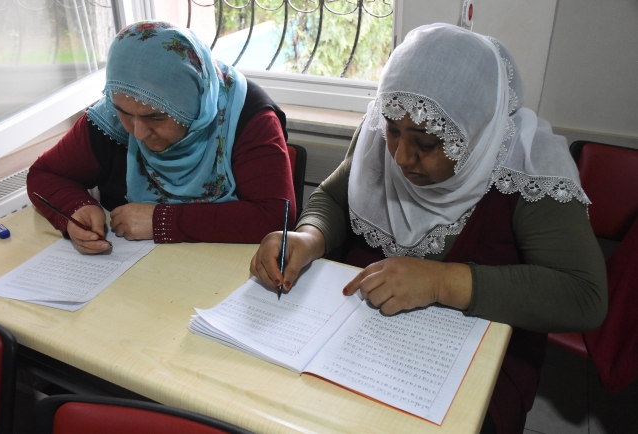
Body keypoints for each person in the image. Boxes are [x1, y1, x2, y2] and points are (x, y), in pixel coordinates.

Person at [250, 24, 607, 433]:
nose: (401, 157)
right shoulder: (383, 135)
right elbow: (333, 198)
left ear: (474, 133)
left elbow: (585, 296)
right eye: (393, 132)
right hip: (353, 336)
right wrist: (308, 237)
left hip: (467, 364)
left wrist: (443, 282)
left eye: (426, 142)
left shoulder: (525, 172)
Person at [27, 21, 295, 253]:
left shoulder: (247, 117)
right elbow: (44, 175)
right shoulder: (109, 117)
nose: (138, 132)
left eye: (155, 117)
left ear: (194, 103)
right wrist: (76, 208)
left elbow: (276, 217)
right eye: (124, 112)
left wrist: (163, 221)